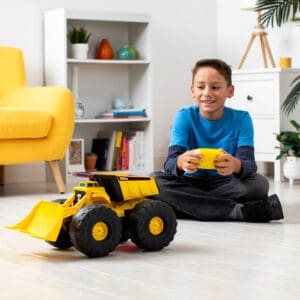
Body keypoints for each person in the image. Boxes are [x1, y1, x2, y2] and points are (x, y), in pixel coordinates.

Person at [152, 58, 284, 222]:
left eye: (215, 87)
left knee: (259, 183)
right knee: (155, 181)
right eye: (201, 87)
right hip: (190, 182)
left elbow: (249, 165)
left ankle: (187, 206)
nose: (207, 93)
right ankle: (237, 211)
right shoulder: (184, 116)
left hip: (226, 183)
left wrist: (235, 165)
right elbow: (169, 165)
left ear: (230, 90)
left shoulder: (242, 119)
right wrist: (180, 162)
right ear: (193, 90)